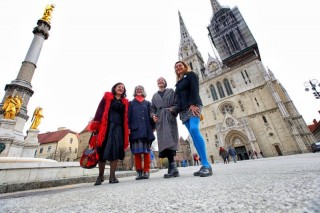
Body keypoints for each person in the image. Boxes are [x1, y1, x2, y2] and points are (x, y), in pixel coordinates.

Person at [174, 60, 212, 177]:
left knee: (195, 130)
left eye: (180, 65)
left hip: (193, 106)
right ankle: (204, 164)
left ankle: (206, 164)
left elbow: (195, 89)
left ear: (185, 66)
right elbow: (178, 99)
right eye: (176, 66)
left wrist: (193, 104)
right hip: (184, 111)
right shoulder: (178, 83)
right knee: (193, 135)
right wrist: (175, 110)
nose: (178, 67)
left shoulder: (191, 75)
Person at [89, 82, 129, 185]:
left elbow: (126, 117)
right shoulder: (107, 97)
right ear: (114, 88)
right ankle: (100, 176)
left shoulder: (125, 102)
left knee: (115, 150)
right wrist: (96, 124)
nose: (121, 88)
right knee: (101, 150)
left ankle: (112, 176)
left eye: (122, 88)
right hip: (106, 127)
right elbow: (99, 111)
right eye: (119, 87)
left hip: (119, 128)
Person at [151, 77, 180, 178]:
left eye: (162, 80)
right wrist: (153, 116)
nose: (160, 81)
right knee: (164, 142)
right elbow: (152, 109)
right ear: (157, 83)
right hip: (160, 120)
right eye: (158, 80)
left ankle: (173, 167)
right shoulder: (154, 96)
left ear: (165, 82)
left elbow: (177, 103)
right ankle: (172, 167)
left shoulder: (171, 91)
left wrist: (173, 109)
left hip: (169, 117)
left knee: (170, 140)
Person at [129, 85, 155, 180]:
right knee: (137, 152)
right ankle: (139, 172)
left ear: (143, 91)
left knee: (147, 151)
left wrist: (153, 126)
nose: (139, 90)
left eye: (141, 89)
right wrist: (128, 128)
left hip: (146, 130)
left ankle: (146, 171)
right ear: (135, 91)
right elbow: (128, 117)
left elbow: (151, 114)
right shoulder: (131, 103)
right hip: (135, 130)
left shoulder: (148, 103)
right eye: (137, 89)